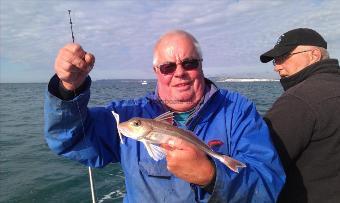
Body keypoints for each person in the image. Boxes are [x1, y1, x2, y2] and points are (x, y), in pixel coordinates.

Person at [45, 30, 285, 202]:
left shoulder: (237, 111)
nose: (179, 73)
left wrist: (212, 176)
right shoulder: (128, 114)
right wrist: (67, 90)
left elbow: (269, 184)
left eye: (189, 63)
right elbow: (71, 141)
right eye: (168, 66)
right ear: (156, 71)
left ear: (201, 65)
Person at [260, 28, 340, 203]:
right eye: (275, 60)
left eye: (283, 57)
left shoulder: (298, 101)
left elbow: (260, 161)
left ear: (314, 55)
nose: (277, 66)